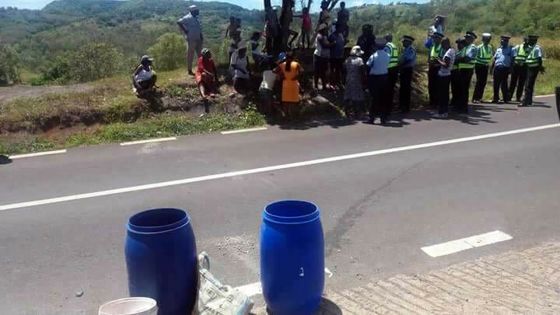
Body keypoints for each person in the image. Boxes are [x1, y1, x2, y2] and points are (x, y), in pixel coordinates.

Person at [366, 38, 390, 125]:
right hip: (384, 77)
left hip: (375, 78)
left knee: (374, 99)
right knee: (383, 99)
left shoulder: (373, 56)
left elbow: (368, 65)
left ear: (376, 46)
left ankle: (371, 118)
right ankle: (383, 118)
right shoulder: (388, 55)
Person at [274, 50, 303, 118]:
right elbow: (302, 71)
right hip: (294, 84)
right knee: (293, 100)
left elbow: (274, 70)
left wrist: (282, 76)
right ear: (293, 58)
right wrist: (296, 77)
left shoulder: (282, 64)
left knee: (286, 101)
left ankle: (286, 115)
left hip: (286, 84)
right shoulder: (296, 64)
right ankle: (292, 115)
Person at [177, 5, 203, 76]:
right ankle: (189, 70)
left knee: (200, 55)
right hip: (191, 39)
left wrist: (201, 36)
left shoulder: (196, 18)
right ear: (193, 11)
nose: (198, 11)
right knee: (190, 55)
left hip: (198, 39)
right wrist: (185, 31)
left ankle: (201, 68)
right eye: (197, 10)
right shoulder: (187, 17)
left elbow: (198, 28)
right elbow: (179, 22)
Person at [456, 31, 478, 113]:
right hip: (462, 69)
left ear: (472, 39)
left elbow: (467, 59)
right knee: (460, 89)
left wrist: (458, 59)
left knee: (464, 89)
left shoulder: (472, 47)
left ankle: (464, 108)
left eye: (468, 38)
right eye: (466, 38)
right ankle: (460, 106)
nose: (466, 39)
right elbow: (459, 56)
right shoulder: (466, 47)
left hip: (467, 70)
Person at [521, 35, 544, 107]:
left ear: (535, 41)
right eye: (529, 40)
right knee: (529, 85)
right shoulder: (529, 47)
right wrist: (525, 44)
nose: (529, 41)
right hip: (528, 67)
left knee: (528, 85)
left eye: (531, 40)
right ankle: (529, 100)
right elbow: (525, 52)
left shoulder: (537, 48)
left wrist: (540, 68)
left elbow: (539, 59)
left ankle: (525, 101)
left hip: (534, 68)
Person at [344, 46, 366, 118]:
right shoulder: (360, 60)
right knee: (357, 96)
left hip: (348, 79)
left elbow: (344, 71)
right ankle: (357, 112)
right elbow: (362, 71)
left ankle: (347, 112)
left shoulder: (347, 60)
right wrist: (364, 81)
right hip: (357, 79)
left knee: (348, 95)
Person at [435, 38, 455, 118]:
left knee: (442, 95)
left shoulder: (448, 52)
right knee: (445, 94)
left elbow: (446, 65)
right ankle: (444, 112)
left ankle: (441, 112)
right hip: (447, 74)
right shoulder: (452, 50)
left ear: (446, 43)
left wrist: (438, 60)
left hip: (444, 75)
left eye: (442, 44)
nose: (442, 46)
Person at [490, 36, 513, 104]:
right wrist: (491, 68)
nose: (503, 42)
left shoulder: (510, 49)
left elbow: (512, 60)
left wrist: (511, 68)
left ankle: (505, 99)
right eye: (502, 41)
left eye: (505, 41)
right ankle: (496, 98)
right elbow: (495, 59)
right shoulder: (498, 49)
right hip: (497, 68)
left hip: (505, 68)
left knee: (504, 84)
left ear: (507, 42)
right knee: (496, 84)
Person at [472, 33, 493, 103]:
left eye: (489, 39)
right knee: (479, 82)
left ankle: (480, 97)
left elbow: (490, 56)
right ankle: (475, 98)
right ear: (483, 39)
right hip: (479, 65)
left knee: (483, 82)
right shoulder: (479, 47)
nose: (488, 41)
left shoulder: (490, 47)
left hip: (485, 66)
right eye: (487, 39)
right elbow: (475, 57)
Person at [509, 37, 530, 103]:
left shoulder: (529, 49)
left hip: (524, 67)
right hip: (516, 66)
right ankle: (509, 97)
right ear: (523, 41)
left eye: (528, 41)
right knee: (513, 82)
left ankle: (518, 97)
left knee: (521, 83)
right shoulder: (518, 47)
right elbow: (513, 56)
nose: (526, 42)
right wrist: (512, 66)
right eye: (525, 41)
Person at [399, 35, 416, 114]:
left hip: (407, 70)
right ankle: (402, 105)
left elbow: (408, 59)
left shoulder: (411, 49)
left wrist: (400, 64)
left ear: (409, 42)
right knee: (403, 88)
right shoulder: (405, 49)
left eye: (404, 42)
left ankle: (406, 107)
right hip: (403, 69)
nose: (403, 43)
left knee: (406, 88)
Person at [427, 32, 444, 107]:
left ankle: (437, 102)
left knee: (438, 86)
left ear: (440, 39)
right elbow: (429, 58)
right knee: (431, 85)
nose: (434, 39)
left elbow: (443, 60)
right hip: (431, 68)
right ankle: (432, 101)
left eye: (436, 38)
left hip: (438, 68)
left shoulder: (442, 48)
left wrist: (436, 63)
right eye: (433, 38)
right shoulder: (432, 47)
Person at [313, 24, 332, 90]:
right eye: (326, 29)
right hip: (319, 55)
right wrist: (332, 44)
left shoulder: (325, 36)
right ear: (323, 30)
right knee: (317, 71)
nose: (327, 30)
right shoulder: (319, 36)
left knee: (323, 71)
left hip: (324, 56)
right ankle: (315, 86)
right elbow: (324, 45)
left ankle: (323, 86)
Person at [384, 34, 399, 111]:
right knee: (391, 89)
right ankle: (389, 107)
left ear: (385, 39)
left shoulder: (387, 46)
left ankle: (387, 107)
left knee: (387, 89)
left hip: (389, 69)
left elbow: (386, 57)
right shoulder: (394, 46)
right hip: (394, 68)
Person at [329, 23, 346, 90]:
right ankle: (332, 84)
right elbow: (329, 45)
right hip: (333, 56)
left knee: (339, 71)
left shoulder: (341, 35)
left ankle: (338, 83)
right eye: (341, 27)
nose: (342, 29)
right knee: (332, 70)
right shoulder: (332, 36)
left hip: (340, 56)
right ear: (338, 28)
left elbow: (342, 44)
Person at [451, 37, 466, 109]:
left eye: (460, 44)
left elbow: (458, 59)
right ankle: (454, 102)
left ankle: (458, 104)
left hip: (460, 72)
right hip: (454, 71)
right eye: (457, 44)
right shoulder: (457, 51)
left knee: (459, 89)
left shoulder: (464, 51)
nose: (458, 45)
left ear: (463, 44)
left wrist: (454, 60)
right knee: (454, 88)